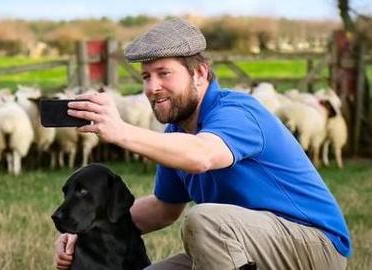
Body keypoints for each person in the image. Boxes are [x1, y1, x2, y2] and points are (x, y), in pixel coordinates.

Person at [54, 17, 351, 270]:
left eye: (163, 74)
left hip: (314, 247)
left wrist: (120, 131)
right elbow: (162, 209)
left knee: (206, 220)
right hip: (247, 246)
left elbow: (203, 156)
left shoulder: (237, 112)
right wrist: (88, 224)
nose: (151, 87)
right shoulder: (176, 134)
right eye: (145, 76)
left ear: (199, 73)